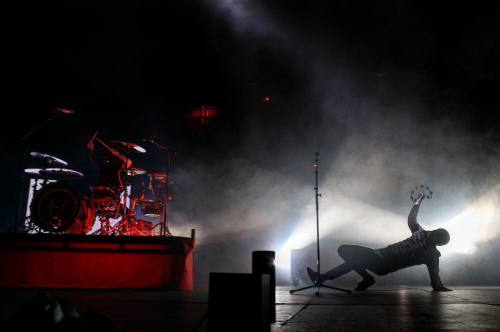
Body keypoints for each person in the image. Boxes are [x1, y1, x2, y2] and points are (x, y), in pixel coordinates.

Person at [307, 193, 452, 292]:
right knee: (350, 256)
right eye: (436, 233)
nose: (433, 235)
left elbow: (434, 274)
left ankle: (362, 278)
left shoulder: (432, 253)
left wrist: (438, 285)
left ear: (437, 242)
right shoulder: (421, 233)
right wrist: (416, 204)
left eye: (437, 237)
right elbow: (412, 220)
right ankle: (330, 278)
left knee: (346, 252)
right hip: (379, 255)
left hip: (384, 263)